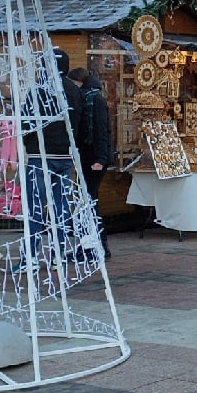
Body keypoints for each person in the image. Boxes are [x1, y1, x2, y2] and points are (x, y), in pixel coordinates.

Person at [17, 48, 86, 272]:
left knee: (35, 207)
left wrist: (30, 144)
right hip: (65, 156)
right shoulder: (74, 91)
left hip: (40, 155)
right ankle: (58, 255)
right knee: (60, 206)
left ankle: (31, 258)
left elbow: (26, 122)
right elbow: (82, 123)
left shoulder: (38, 90)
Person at [69, 67, 114, 258]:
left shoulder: (94, 100)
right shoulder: (89, 98)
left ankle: (96, 246)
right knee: (87, 202)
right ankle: (94, 246)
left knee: (88, 202)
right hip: (89, 158)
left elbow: (102, 131)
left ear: (78, 82)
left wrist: (100, 159)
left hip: (94, 160)